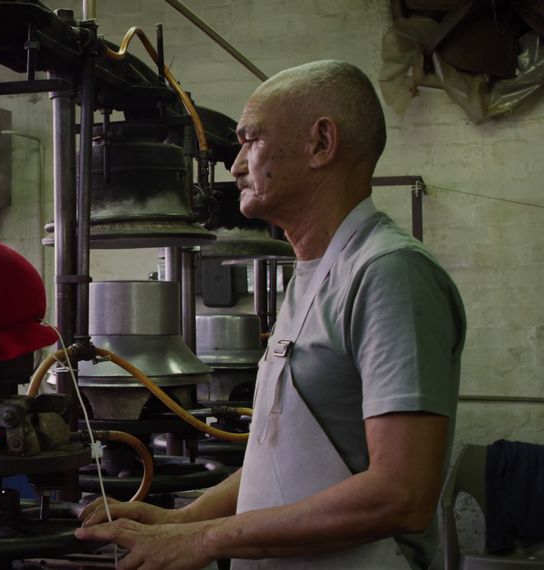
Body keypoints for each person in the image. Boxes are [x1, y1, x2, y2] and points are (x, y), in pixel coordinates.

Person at [75, 60, 466, 569]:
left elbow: (401, 494)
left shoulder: (389, 274)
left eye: (250, 140)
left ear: (321, 143)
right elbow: (280, 462)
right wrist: (179, 521)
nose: (235, 165)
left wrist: (205, 540)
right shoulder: (316, 273)